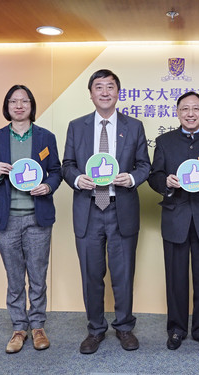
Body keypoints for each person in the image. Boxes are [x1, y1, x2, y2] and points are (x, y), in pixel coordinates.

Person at [61, 69, 150, 354]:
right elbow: (67, 164)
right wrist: (77, 178)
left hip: (120, 207)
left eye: (110, 87)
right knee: (91, 273)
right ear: (90, 94)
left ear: (117, 92)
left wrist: (132, 178)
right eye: (98, 87)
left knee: (123, 274)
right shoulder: (77, 126)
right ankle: (95, 330)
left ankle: (124, 327)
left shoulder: (133, 126)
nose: (104, 92)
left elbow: (144, 165)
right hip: (88, 208)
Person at [0, 85, 62, 354]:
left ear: (31, 106)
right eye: (14, 101)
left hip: (38, 218)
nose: (19, 105)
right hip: (7, 219)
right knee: (14, 278)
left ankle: (37, 326)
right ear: (7, 106)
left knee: (37, 276)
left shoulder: (46, 137)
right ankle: (18, 328)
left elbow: (56, 171)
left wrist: (48, 186)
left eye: (24, 101)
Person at [148, 91, 199, 351]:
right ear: (177, 112)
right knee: (175, 279)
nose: (191, 113)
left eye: (196, 108)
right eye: (185, 109)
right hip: (176, 218)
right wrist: (167, 184)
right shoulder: (164, 141)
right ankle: (176, 329)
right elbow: (154, 176)